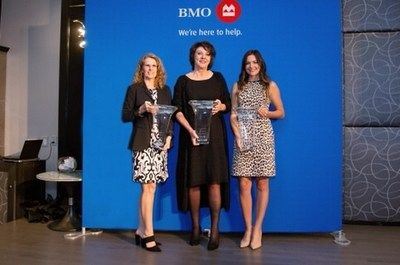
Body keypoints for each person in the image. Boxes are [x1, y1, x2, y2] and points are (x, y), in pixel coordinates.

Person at [172, 41, 231, 251]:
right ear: (193, 56)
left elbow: (228, 104)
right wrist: (190, 130)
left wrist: (221, 106)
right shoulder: (182, 81)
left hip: (214, 137)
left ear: (211, 58)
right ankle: (195, 227)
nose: (203, 57)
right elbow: (176, 109)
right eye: (199, 53)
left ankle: (215, 230)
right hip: (192, 137)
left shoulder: (218, 78)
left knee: (214, 182)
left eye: (207, 54)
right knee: (194, 183)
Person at [230, 50, 285, 250]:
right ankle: (248, 228)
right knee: (244, 184)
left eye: (254, 62)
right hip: (243, 139)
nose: (251, 66)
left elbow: (281, 112)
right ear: (244, 66)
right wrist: (237, 136)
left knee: (262, 184)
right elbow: (233, 115)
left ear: (260, 64)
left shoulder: (270, 85)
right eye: (247, 63)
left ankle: (258, 228)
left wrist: (268, 112)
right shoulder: (237, 86)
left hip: (263, 138)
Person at [122, 53, 173, 252]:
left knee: (150, 188)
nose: (150, 69)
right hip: (143, 143)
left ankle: (141, 230)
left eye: (154, 66)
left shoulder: (165, 90)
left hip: (160, 145)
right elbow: (125, 116)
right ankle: (148, 234)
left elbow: (169, 116)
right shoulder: (134, 89)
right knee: (148, 187)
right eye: (147, 65)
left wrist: (169, 137)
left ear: (158, 69)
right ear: (141, 68)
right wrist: (141, 109)